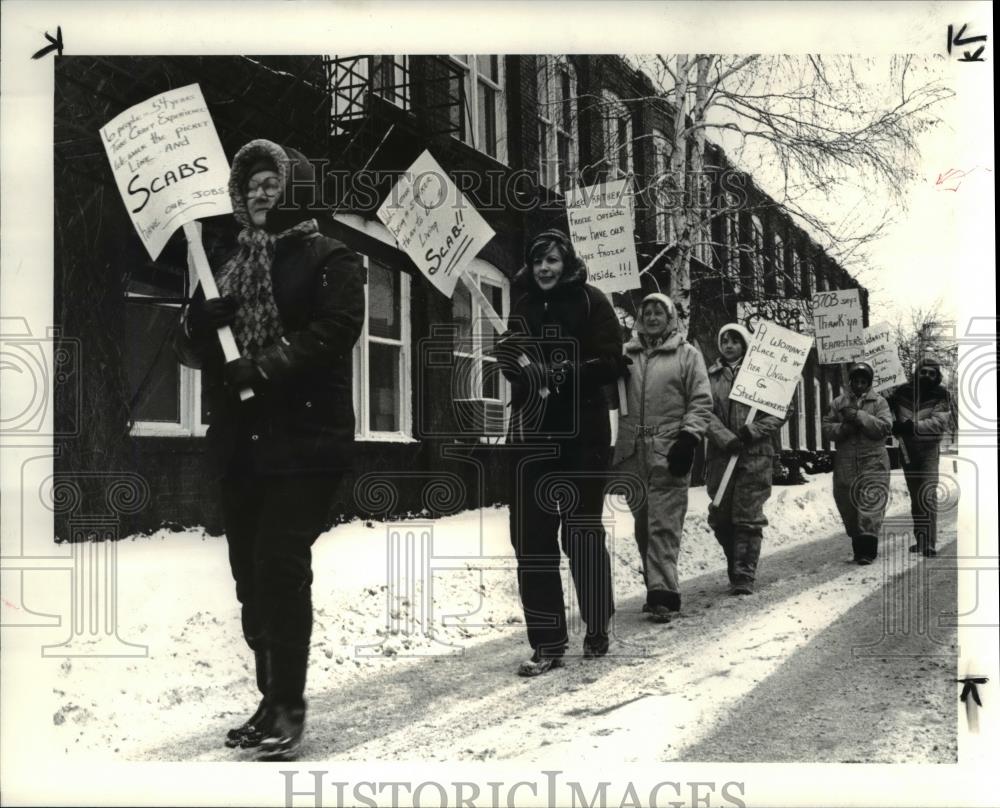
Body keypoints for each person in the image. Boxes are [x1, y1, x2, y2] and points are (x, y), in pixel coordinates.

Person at [174, 139, 365, 760]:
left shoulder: (331, 256)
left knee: (280, 563)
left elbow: (335, 332)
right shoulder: (222, 261)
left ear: (295, 189)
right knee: (249, 576)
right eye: (251, 182)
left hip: (307, 441)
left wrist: (264, 366)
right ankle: (268, 697)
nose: (260, 191)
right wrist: (203, 324)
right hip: (242, 444)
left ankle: (289, 705)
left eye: (271, 181)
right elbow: (193, 347)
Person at [496, 229, 623, 676]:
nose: (544, 269)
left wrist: (568, 371)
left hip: (583, 437)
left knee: (581, 534)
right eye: (537, 262)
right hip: (532, 435)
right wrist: (513, 361)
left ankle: (597, 624)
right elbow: (514, 367)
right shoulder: (523, 307)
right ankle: (547, 642)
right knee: (531, 540)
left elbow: (612, 360)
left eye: (551, 260)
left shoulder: (592, 301)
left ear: (565, 262)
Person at [612, 293, 712, 619]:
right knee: (644, 525)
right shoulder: (626, 353)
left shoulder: (687, 355)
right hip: (631, 452)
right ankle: (655, 584)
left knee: (664, 524)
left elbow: (700, 400)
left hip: (669, 450)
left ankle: (664, 593)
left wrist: (689, 437)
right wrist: (610, 371)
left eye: (659, 312)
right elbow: (607, 396)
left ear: (670, 318)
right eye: (647, 312)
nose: (653, 317)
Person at [704, 323, 785, 595]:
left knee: (747, 516)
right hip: (721, 456)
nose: (728, 345)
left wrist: (752, 430)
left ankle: (743, 574)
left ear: (744, 344)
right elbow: (702, 410)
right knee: (720, 515)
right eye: (724, 341)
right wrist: (724, 437)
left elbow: (780, 411)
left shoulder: (763, 373)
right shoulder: (710, 377)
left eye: (734, 341)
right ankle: (735, 562)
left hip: (754, 456)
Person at [822, 362, 892, 565]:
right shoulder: (838, 403)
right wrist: (844, 428)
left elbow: (885, 427)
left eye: (864, 381)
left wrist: (861, 416)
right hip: (846, 459)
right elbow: (827, 427)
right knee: (848, 501)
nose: (859, 385)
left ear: (869, 383)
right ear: (850, 381)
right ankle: (857, 546)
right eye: (856, 381)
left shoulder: (880, 403)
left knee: (871, 501)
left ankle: (867, 551)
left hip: (873, 459)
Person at [888, 356, 953, 557]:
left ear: (937, 376)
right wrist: (892, 418)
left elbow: (938, 424)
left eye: (931, 373)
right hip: (908, 451)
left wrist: (911, 427)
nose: (926, 376)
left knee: (927, 494)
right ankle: (921, 539)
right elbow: (889, 415)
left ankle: (930, 543)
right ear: (917, 372)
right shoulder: (902, 392)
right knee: (916, 497)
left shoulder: (942, 395)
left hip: (928, 451)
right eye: (923, 371)